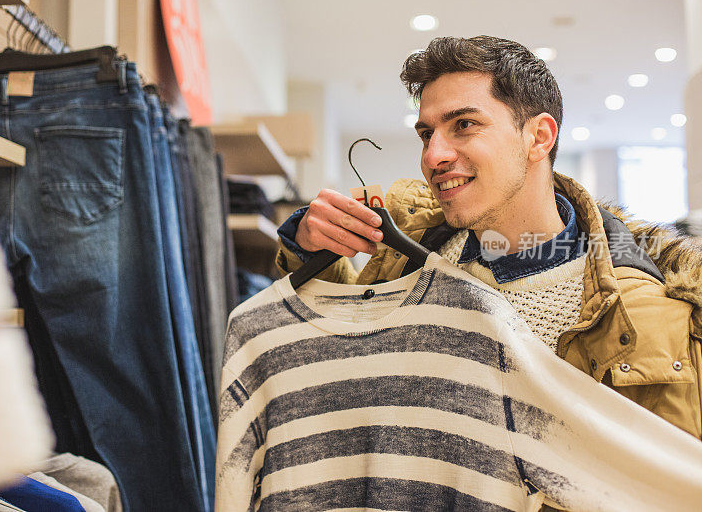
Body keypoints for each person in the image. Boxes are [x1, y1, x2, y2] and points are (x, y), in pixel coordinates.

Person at [275, 35, 702, 439]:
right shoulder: (401, 262)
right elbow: (321, 353)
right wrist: (309, 251)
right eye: (427, 134)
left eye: (463, 124)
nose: (433, 156)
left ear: (539, 137)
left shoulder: (658, 314)